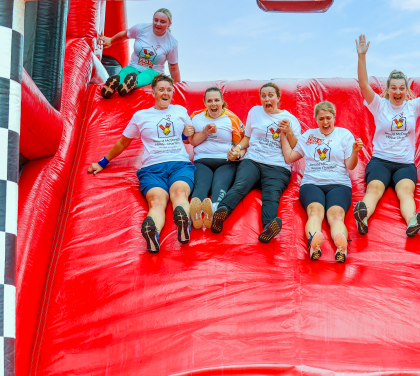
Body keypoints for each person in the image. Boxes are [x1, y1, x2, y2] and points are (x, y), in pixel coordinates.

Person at [353, 35, 420, 237]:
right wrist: (361, 57)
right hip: (380, 160)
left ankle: (412, 222)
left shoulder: (413, 106)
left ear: (407, 90)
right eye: (394, 88)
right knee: (374, 189)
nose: (397, 91)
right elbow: (363, 85)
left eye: (401, 88)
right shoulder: (379, 105)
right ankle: (363, 217)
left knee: (406, 192)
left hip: (405, 163)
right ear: (388, 90)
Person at [88, 74, 195, 253]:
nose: (166, 93)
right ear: (153, 92)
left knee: (180, 192)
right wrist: (103, 162)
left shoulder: (180, 111)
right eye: (161, 89)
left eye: (169, 90)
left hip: (179, 163)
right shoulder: (141, 116)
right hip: (152, 168)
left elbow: (187, 139)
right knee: (156, 201)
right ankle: (153, 233)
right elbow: (123, 142)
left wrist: (186, 133)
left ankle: (183, 226)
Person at [210, 82, 302, 243]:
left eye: (270, 95)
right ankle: (220, 213)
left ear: (278, 98)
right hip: (253, 161)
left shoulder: (290, 119)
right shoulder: (255, 112)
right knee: (240, 185)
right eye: (263, 96)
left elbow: (296, 148)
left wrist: (289, 132)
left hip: (278, 167)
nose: (267, 99)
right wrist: (237, 148)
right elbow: (247, 138)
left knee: (272, 195)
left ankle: (268, 227)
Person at [280, 101, 363, 262]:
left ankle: (341, 247)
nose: (325, 122)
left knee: (337, 215)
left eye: (328, 118)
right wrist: (284, 134)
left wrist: (355, 152)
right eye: (321, 119)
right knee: (315, 212)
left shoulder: (344, 135)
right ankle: (314, 244)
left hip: (339, 183)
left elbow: (350, 165)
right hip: (312, 183)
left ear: (334, 117)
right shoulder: (309, 136)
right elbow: (290, 157)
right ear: (316, 119)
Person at [188, 87, 245, 229]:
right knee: (201, 186)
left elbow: (242, 145)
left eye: (216, 100)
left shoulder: (232, 118)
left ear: (222, 102)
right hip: (202, 160)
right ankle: (195, 213)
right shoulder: (196, 117)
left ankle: (213, 211)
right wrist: (205, 132)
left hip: (225, 161)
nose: (213, 104)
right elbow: (192, 141)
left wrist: (237, 154)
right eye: (209, 101)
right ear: (205, 103)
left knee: (220, 186)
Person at [99, 8, 180, 99]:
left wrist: (177, 86)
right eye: (156, 20)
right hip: (134, 67)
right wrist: (110, 41)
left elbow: (173, 67)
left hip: (153, 71)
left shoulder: (171, 43)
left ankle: (131, 84)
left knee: (147, 75)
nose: (158, 24)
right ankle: (112, 85)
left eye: (162, 22)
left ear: (169, 24)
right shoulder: (142, 29)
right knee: (126, 71)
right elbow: (125, 34)